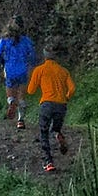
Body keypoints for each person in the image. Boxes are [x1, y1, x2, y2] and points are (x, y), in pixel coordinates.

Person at [27, 43, 75, 172]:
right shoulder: (63, 71)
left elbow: (30, 90)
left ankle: (49, 162)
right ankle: (57, 134)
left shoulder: (39, 70)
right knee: (56, 128)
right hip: (61, 105)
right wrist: (66, 97)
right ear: (56, 57)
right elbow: (72, 88)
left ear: (44, 56)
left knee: (43, 132)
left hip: (47, 104)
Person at [0, 15, 37, 130]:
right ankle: (20, 120)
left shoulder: (4, 40)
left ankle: (11, 102)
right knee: (22, 97)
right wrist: (30, 65)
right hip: (23, 69)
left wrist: (4, 63)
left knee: (10, 91)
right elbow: (32, 55)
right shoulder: (26, 41)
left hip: (10, 69)